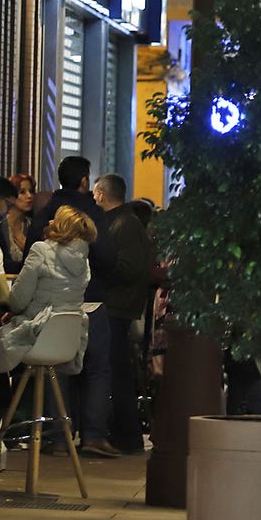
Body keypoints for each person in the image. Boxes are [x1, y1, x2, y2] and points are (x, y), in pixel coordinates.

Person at [0, 205, 95, 377]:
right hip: (68, 340)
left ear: (61, 226)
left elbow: (17, 302)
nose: (50, 221)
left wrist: (13, 310)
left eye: (56, 219)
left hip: (36, 335)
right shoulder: (84, 261)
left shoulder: (41, 250)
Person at [90, 174, 153, 456]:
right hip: (116, 304)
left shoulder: (123, 224)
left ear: (102, 195)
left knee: (116, 371)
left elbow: (129, 267)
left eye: (95, 194)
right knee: (116, 370)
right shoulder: (124, 222)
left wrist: (98, 273)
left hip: (116, 306)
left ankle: (127, 436)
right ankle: (124, 434)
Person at [27, 156, 99, 246]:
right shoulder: (93, 213)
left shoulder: (44, 213)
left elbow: (29, 251)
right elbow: (104, 254)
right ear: (84, 181)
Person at [5, 173, 36, 272]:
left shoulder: (32, 226)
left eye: (31, 191)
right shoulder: (0, 225)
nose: (29, 196)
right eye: (22, 192)